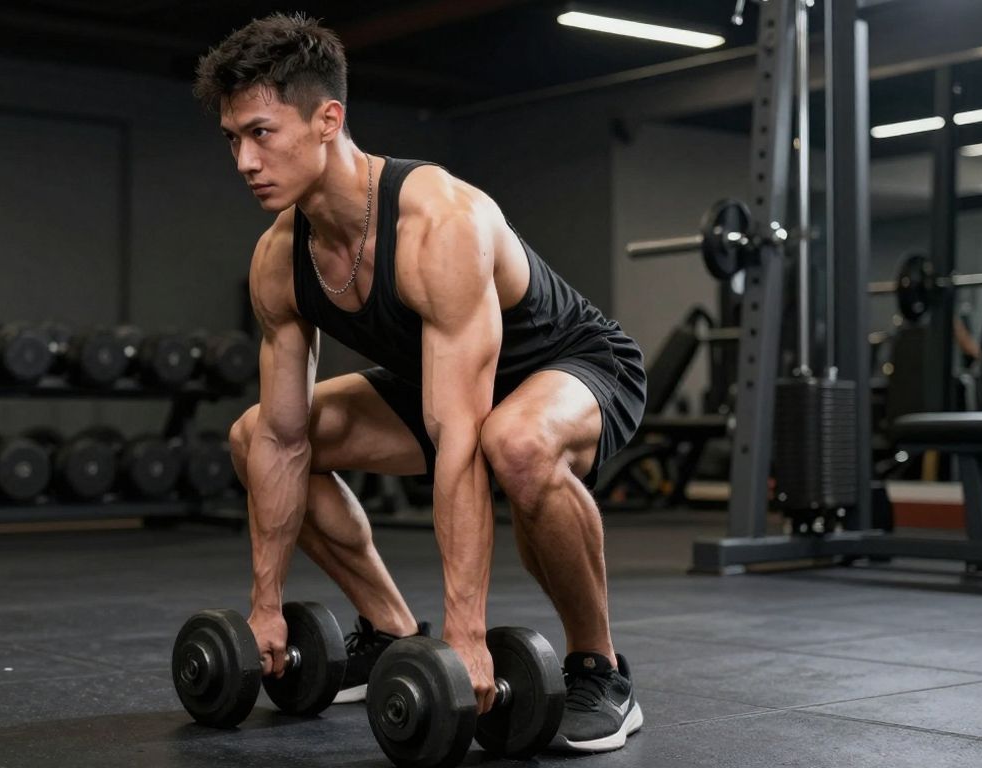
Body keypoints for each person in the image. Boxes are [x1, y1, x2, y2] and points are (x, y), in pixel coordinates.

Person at [194, 13, 647, 752]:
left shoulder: (440, 223)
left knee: (515, 443)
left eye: (262, 133)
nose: (245, 160)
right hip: (438, 381)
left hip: (574, 364)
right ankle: (392, 629)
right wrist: (265, 605)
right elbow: (283, 439)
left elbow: (460, 436)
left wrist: (469, 633)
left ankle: (600, 669)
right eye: (232, 138)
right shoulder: (278, 261)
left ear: (327, 120)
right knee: (252, 436)